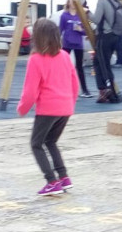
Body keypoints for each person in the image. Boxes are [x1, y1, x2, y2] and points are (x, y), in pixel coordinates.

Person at [17, 18, 80, 196]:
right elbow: (75, 84)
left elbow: (30, 91)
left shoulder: (36, 60)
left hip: (48, 108)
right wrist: (70, 103)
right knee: (51, 141)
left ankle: (51, 181)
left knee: (36, 144)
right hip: (65, 107)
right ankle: (64, 177)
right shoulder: (65, 56)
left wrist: (23, 108)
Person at [91, 0, 122, 103]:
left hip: (105, 36)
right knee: (102, 63)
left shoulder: (102, 0)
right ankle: (107, 90)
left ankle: (108, 91)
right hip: (115, 36)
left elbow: (96, 19)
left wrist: (87, 12)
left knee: (101, 64)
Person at [59, 0, 92, 98]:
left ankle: (85, 90)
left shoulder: (81, 16)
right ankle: (61, 88)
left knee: (80, 67)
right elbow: (60, 29)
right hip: (67, 43)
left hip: (78, 44)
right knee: (63, 66)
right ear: (68, 2)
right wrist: (56, 43)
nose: (73, 4)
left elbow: (86, 32)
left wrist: (80, 29)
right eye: (71, 1)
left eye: (74, 2)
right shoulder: (64, 15)